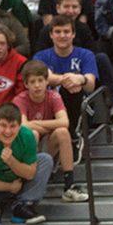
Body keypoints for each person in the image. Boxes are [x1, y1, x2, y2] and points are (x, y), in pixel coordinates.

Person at [14, 60, 87, 202]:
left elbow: (64, 122)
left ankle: (69, 186)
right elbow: (23, 127)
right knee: (32, 134)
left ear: (47, 81)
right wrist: (46, 125)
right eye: (32, 81)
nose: (37, 85)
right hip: (26, 150)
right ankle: (29, 181)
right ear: (26, 84)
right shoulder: (20, 99)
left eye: (40, 80)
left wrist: (34, 123)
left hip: (47, 146)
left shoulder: (53, 96)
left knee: (62, 132)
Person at [34, 15, 98, 139]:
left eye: (66, 31)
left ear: (73, 34)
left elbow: (90, 85)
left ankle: (73, 138)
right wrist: (71, 79)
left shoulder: (86, 55)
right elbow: (45, 77)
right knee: (67, 88)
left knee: (74, 89)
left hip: (81, 105)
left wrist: (81, 79)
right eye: (57, 32)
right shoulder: (40, 57)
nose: (62, 35)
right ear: (51, 35)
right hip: (48, 107)